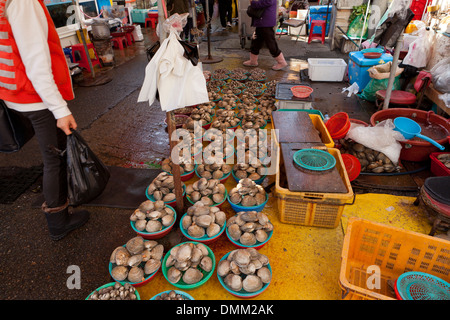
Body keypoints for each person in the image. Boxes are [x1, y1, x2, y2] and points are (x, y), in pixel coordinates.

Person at [0, 0, 90, 240]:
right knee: (54, 160)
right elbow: (36, 63)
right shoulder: (23, 3)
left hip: (15, 93)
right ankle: (58, 220)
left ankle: (61, 209)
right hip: (35, 98)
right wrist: (60, 110)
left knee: (53, 158)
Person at [243, 0, 288, 71]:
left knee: (270, 42)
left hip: (265, 21)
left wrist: (253, 3)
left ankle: (281, 62)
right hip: (262, 20)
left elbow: (268, 2)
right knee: (256, 41)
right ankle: (253, 61)